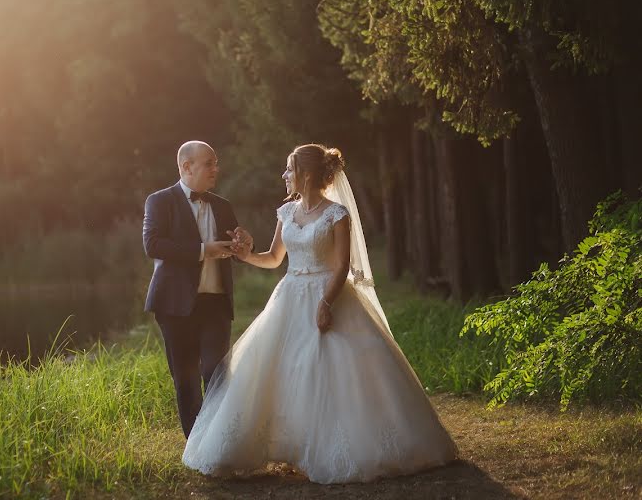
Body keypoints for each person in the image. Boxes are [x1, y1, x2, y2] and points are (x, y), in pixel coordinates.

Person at [182, 143, 458, 484]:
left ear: (306, 174)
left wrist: (326, 303)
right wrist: (244, 254)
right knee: (287, 368)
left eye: (289, 170)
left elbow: (342, 265)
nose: (284, 175)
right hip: (290, 296)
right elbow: (273, 258)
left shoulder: (336, 214)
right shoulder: (286, 214)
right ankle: (287, 444)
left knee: (332, 369)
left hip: (328, 295)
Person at [142, 141, 252, 438]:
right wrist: (204, 250)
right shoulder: (159, 201)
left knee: (216, 373)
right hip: (174, 305)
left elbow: (236, 251)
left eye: (216, 162)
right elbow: (152, 245)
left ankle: (219, 440)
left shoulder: (223, 205)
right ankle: (196, 445)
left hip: (216, 303)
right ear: (186, 167)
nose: (216, 168)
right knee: (185, 380)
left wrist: (244, 245)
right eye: (209, 163)